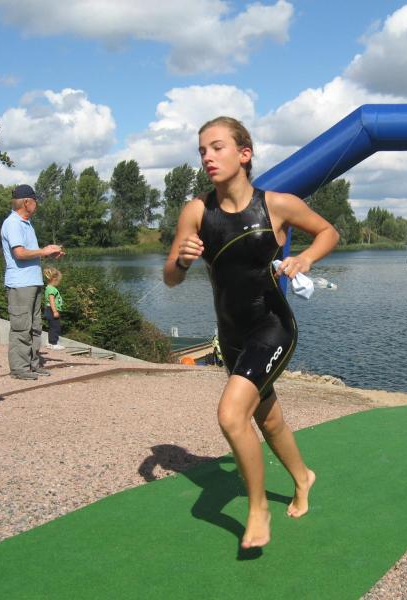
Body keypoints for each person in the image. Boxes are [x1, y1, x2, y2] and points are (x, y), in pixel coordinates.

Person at [163, 116, 339, 549]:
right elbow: (170, 278)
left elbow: (328, 232)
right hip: (231, 335)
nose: (207, 157)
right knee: (267, 417)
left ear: (244, 154)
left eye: (217, 147)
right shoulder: (196, 211)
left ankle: (257, 508)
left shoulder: (277, 204)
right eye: (202, 150)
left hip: (272, 326)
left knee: (231, 415)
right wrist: (182, 260)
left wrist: (306, 259)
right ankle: (303, 477)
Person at [0, 185, 64, 380]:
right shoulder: (13, 223)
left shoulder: (27, 224)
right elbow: (19, 253)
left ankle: (33, 365)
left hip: (33, 282)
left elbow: (30, 253)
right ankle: (19, 368)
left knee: (35, 326)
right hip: (20, 284)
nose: (37, 204)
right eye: (35, 201)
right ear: (26, 202)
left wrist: (48, 253)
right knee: (21, 327)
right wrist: (43, 251)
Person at [43, 267, 65, 350]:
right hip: (52, 310)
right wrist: (55, 311)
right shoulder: (52, 289)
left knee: (52, 327)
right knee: (55, 327)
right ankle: (53, 343)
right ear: (54, 279)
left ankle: (50, 342)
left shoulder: (48, 288)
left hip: (50, 310)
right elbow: (51, 300)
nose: (59, 282)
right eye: (58, 281)